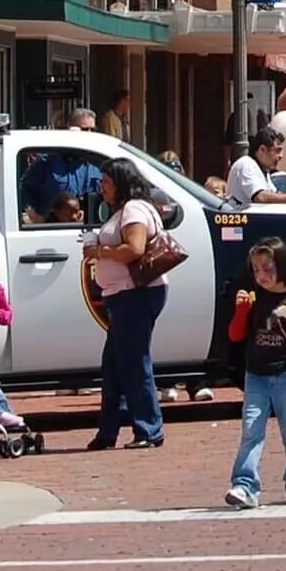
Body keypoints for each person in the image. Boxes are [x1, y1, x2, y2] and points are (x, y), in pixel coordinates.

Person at [222, 238, 286, 508]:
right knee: (251, 431)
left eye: (268, 268)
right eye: (256, 269)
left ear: (283, 267)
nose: (261, 276)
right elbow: (235, 334)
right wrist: (241, 312)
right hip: (257, 376)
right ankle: (244, 485)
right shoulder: (253, 297)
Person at [82, 157, 167, 451]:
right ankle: (108, 431)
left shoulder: (133, 210)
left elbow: (134, 249)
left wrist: (100, 251)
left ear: (120, 182)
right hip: (122, 296)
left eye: (106, 181)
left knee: (133, 362)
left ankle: (148, 429)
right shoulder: (122, 210)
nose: (101, 187)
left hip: (135, 294)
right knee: (115, 364)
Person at [224, 127, 286, 206]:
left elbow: (274, 195)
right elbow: (261, 197)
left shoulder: (263, 170)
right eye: (277, 150)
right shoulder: (246, 164)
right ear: (262, 149)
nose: (281, 156)